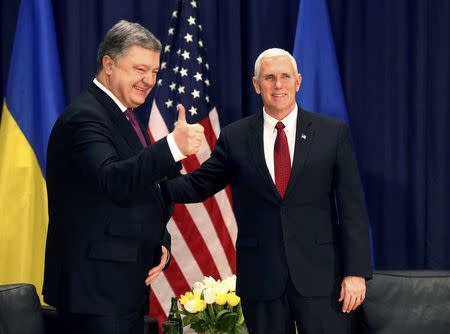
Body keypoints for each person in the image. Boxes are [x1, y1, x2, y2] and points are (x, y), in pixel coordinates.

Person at [163, 48, 372, 333]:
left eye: (285, 77)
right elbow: (197, 186)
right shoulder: (235, 137)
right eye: (269, 77)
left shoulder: (331, 133)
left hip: (323, 280)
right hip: (262, 280)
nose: (278, 85)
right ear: (256, 84)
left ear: (298, 82)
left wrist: (356, 272)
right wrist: (162, 160)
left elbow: (352, 209)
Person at [42, 20, 204, 334]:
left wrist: (161, 243)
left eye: (155, 72)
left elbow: (147, 191)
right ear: (109, 65)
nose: (149, 80)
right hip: (94, 293)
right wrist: (172, 147)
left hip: (121, 289)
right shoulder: (85, 117)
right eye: (140, 69)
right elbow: (112, 178)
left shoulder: (124, 116)